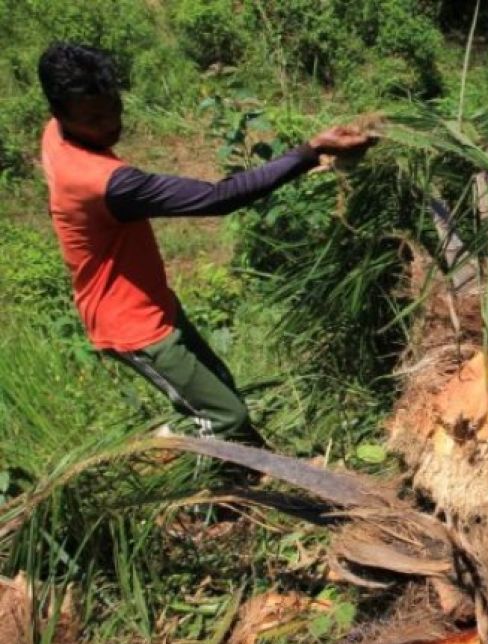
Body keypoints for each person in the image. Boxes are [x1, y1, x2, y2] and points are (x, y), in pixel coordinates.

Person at [37, 42, 376, 450]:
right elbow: (218, 198)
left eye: (114, 107)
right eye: (94, 118)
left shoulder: (56, 134)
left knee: (220, 388)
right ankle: (181, 480)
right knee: (224, 416)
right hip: (134, 327)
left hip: (151, 300)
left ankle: (242, 471)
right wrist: (311, 151)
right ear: (61, 113)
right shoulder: (104, 182)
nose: (110, 124)